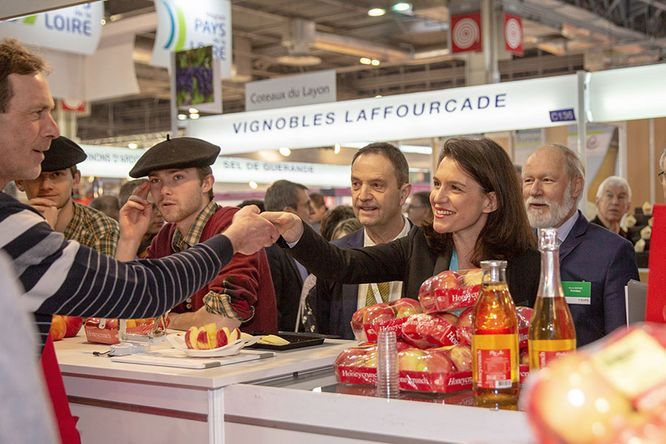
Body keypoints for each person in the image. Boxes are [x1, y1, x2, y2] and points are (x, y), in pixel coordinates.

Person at [0, 37, 278, 444]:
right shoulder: (13, 226)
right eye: (37, 112)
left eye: (177, 178)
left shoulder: (219, 223)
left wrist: (150, 306)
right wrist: (230, 243)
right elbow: (131, 299)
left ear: (207, 183)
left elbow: (208, 319)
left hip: (241, 397)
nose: (53, 128)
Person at [265, 137, 540, 334]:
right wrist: (295, 231)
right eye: (437, 184)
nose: (438, 197)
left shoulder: (527, 263)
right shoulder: (420, 247)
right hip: (426, 398)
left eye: (455, 187)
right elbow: (342, 264)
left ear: (490, 201)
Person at [117, 136, 278, 333]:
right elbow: (124, 308)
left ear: (206, 183)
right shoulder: (166, 237)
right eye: (155, 181)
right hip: (179, 361)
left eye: (177, 177)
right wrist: (129, 239)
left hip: (243, 360)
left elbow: (221, 321)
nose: (164, 190)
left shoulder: (234, 226)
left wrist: (163, 319)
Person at [522, 144, 639, 346]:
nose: (535, 190)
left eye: (547, 180)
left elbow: (621, 345)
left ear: (576, 186)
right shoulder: (515, 248)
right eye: (528, 180)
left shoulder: (612, 252)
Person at [309, 142, 414, 338]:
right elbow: (325, 338)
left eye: (376, 185)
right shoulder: (335, 256)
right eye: (356, 184)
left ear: (403, 194)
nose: (363, 196)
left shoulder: (429, 253)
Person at [15, 136, 120, 256]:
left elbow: (101, 274)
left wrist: (45, 236)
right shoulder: (8, 225)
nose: (46, 186)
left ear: (75, 179)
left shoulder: (100, 228)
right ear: (19, 182)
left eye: (57, 174)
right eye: (37, 176)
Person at [264, 180, 313, 331]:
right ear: (289, 213)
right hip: (286, 346)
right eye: (306, 205)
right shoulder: (269, 250)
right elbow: (272, 308)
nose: (311, 211)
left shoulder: (304, 247)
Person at [119, 178, 164, 256]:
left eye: (161, 205)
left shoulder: (167, 244)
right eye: (151, 207)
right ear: (129, 208)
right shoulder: (112, 245)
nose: (160, 213)